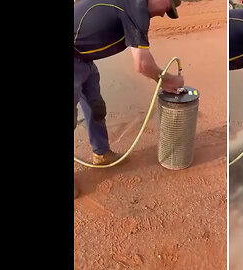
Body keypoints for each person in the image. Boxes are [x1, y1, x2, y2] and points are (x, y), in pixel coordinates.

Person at [74, 0, 184, 198]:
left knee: (96, 107)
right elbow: (142, 64)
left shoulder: (136, 8)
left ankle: (101, 153)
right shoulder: (136, 5)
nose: (162, 15)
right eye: (167, 8)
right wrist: (168, 80)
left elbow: (141, 55)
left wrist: (163, 79)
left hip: (83, 58)